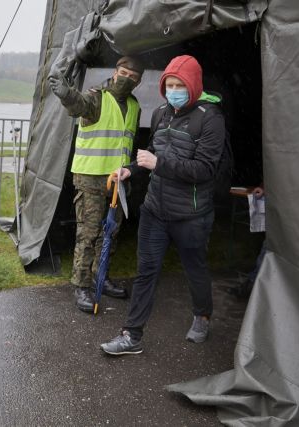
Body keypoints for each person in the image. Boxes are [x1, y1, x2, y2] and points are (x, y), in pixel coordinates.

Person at [100, 55, 225, 355]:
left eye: (179, 85)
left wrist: (159, 163)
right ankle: (131, 335)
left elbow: (205, 170)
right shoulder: (160, 113)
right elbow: (152, 153)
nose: (173, 90)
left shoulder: (210, 118)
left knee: (195, 269)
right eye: (169, 85)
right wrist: (130, 169)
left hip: (191, 215)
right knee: (146, 271)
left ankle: (202, 315)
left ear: (193, 86)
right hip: (155, 210)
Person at [48, 56, 145, 312]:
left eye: (133, 77)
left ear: (139, 81)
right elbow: (78, 105)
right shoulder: (97, 97)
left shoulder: (135, 106)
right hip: (90, 178)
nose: (127, 79)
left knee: (110, 234)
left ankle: (100, 277)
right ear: (115, 72)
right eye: (123, 72)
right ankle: (81, 286)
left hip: (118, 180)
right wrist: (66, 94)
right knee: (88, 234)